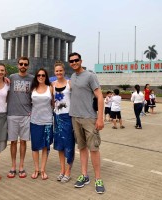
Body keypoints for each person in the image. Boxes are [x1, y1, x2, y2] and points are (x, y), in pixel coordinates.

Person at [68, 52, 105, 194]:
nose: (74, 63)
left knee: (94, 148)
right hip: (75, 117)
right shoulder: (72, 76)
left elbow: (99, 96)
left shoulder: (90, 76)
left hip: (89, 118)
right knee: (82, 147)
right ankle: (84, 175)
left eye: (76, 60)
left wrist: (100, 118)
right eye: (71, 61)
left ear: (81, 61)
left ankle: (98, 179)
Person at [7, 56, 34, 179]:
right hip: (12, 114)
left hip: (26, 115)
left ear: (28, 66)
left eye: (25, 64)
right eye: (21, 64)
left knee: (23, 141)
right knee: (13, 142)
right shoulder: (11, 78)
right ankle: (13, 166)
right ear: (18, 65)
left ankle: (21, 166)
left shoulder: (32, 79)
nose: (23, 66)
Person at [52, 61, 75, 183]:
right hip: (57, 117)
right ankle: (62, 170)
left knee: (69, 144)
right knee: (60, 145)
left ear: (64, 71)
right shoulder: (52, 85)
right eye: (57, 71)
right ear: (54, 72)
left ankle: (68, 171)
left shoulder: (70, 83)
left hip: (68, 117)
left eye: (60, 70)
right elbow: (51, 101)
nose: (59, 73)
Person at [30, 68, 54, 180]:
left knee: (45, 147)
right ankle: (36, 169)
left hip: (47, 121)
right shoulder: (33, 88)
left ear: (46, 76)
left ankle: (43, 169)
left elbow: (54, 103)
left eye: (43, 75)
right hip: (34, 121)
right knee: (35, 147)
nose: (41, 77)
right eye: (39, 75)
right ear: (36, 76)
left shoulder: (50, 88)